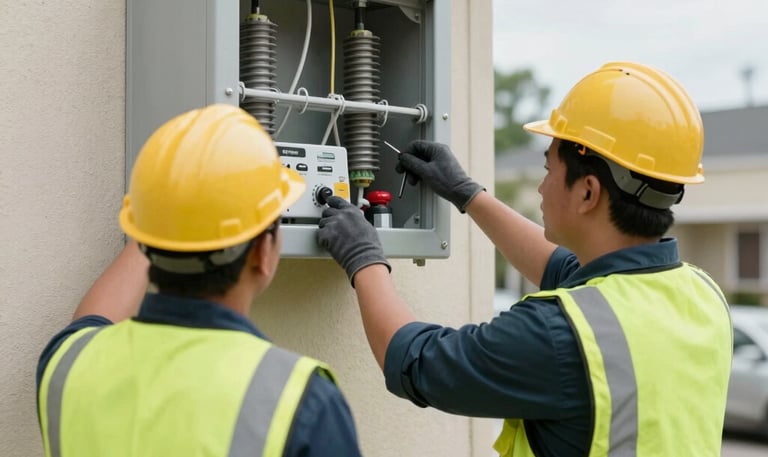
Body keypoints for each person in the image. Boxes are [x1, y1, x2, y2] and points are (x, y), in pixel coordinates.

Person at [317, 61, 733, 456]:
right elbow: (565, 269)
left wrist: (364, 258)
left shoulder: (558, 335)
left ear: (588, 192)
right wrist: (468, 194)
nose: (540, 187)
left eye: (549, 170)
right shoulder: (702, 295)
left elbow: (416, 362)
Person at [36, 104, 363, 457]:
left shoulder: (67, 363)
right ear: (262, 253)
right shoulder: (302, 403)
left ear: (145, 239)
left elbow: (94, 317)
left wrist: (168, 216)